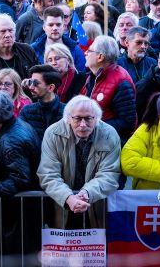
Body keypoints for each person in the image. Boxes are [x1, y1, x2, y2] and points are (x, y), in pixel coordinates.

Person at [37, 96, 121, 228]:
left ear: (96, 119)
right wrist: (68, 198)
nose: (83, 124)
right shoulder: (53, 134)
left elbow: (109, 173)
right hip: (62, 205)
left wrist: (87, 193)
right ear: (68, 118)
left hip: (96, 205)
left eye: (88, 118)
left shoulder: (109, 134)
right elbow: (48, 174)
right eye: (77, 118)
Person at [0, 90, 40, 258]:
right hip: (16, 214)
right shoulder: (18, 126)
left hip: (13, 217)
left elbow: (20, 178)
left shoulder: (10, 141)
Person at [83, 35, 137, 141]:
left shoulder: (121, 82)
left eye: (89, 50)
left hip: (110, 143)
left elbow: (127, 123)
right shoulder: (93, 75)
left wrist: (93, 127)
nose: (85, 53)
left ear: (100, 57)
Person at [19, 64, 65, 141]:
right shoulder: (26, 112)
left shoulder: (67, 112)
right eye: (31, 82)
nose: (31, 87)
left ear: (51, 87)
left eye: (36, 83)